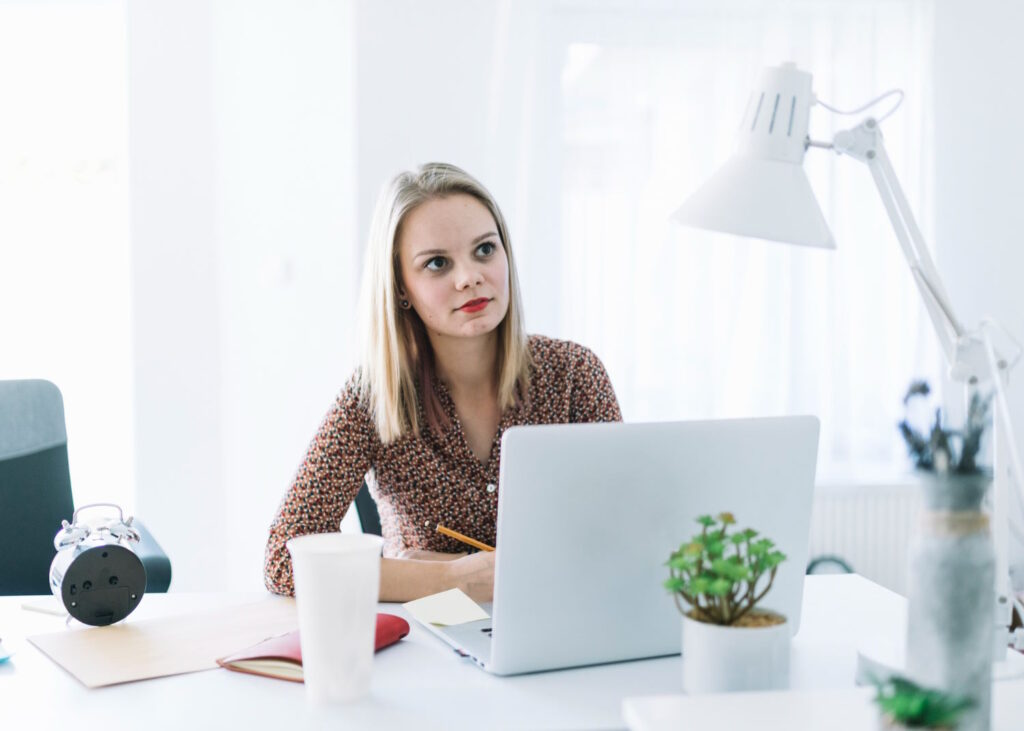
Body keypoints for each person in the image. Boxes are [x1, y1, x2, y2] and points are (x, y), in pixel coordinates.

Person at [264, 162, 621, 602]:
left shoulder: (574, 375)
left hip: (562, 619)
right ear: (400, 287)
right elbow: (284, 561)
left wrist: (431, 565)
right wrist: (448, 579)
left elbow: (623, 540)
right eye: (436, 263)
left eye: (485, 250)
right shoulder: (376, 394)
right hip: (430, 641)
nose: (469, 276)